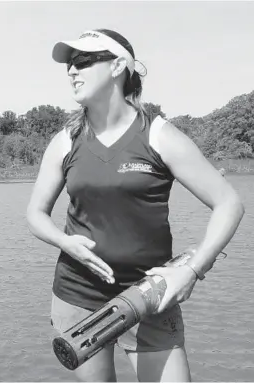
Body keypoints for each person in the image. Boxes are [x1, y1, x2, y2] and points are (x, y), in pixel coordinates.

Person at [26, 28, 245, 382]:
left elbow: (229, 204)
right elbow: (35, 214)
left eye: (82, 61)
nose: (71, 71)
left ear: (118, 67)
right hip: (77, 295)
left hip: (151, 296)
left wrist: (191, 271)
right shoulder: (65, 142)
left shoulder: (158, 135)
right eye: (69, 63)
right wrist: (65, 242)